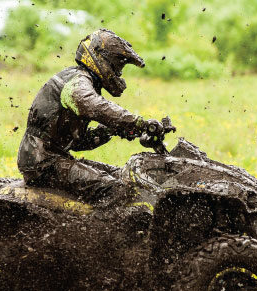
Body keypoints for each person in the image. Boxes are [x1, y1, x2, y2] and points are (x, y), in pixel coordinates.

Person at [17, 29, 166, 204]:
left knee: (123, 175)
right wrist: (138, 123)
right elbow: (95, 106)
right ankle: (101, 230)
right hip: (44, 163)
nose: (118, 73)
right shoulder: (77, 81)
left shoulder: (83, 81)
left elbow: (78, 142)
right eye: (118, 66)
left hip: (51, 160)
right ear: (101, 58)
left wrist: (109, 131)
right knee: (116, 189)